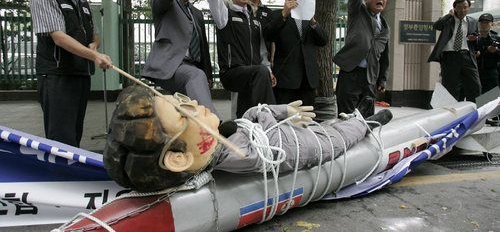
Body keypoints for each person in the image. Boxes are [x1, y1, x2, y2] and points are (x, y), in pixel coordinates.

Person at [103, 85, 393, 191]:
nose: (192, 103)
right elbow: (270, 143)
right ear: (180, 158)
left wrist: (274, 111)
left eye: (181, 98)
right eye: (182, 114)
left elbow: (248, 120)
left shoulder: (223, 140)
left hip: (293, 135)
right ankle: (367, 122)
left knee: (325, 126)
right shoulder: (237, 156)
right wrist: (269, 112)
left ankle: (354, 121)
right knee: (340, 134)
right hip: (299, 147)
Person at [29, 0, 112, 147]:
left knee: (75, 133)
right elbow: (59, 37)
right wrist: (93, 56)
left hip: (80, 74)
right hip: (57, 76)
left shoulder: (82, 0)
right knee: (61, 137)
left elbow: (95, 35)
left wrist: (93, 46)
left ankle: (70, 174)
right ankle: (59, 176)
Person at [142, 0, 217, 115]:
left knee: (188, 105)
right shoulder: (163, 3)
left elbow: (202, 45)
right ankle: (214, 124)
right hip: (170, 65)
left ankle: (193, 136)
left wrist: (208, 74)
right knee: (194, 76)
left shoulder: (196, 13)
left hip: (193, 67)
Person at [207, 0, 275, 117]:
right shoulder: (225, 15)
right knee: (259, 74)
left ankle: (247, 132)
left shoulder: (255, 20)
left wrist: (268, 71)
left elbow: (262, 52)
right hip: (233, 73)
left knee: (245, 114)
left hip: (252, 75)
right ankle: (272, 117)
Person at [333, 0, 390, 118]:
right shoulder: (357, 11)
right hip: (350, 73)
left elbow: (385, 56)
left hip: (369, 78)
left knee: (365, 121)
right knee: (346, 118)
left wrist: (382, 79)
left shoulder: (385, 26)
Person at [264, 0, 327, 106]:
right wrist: (284, 14)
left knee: (307, 119)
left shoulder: (308, 17)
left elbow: (323, 41)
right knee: (285, 118)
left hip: (308, 79)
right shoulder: (276, 15)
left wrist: (313, 22)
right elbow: (269, 35)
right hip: (286, 79)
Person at [427, 0, 481, 101]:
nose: (462, 10)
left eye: (465, 7)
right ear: (455, 8)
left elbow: (476, 39)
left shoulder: (473, 22)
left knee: (475, 86)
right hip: (450, 57)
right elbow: (436, 26)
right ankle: (452, 112)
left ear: (468, 8)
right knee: (450, 88)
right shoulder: (448, 20)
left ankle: (474, 110)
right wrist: (449, 15)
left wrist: (475, 39)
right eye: (459, 7)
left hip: (467, 56)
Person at [473, 13, 500, 93]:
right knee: (475, 99)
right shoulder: (473, 38)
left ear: (492, 24)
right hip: (475, 73)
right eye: (482, 23)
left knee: (489, 101)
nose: (484, 25)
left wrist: (496, 51)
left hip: (491, 74)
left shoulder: (496, 39)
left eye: (487, 22)